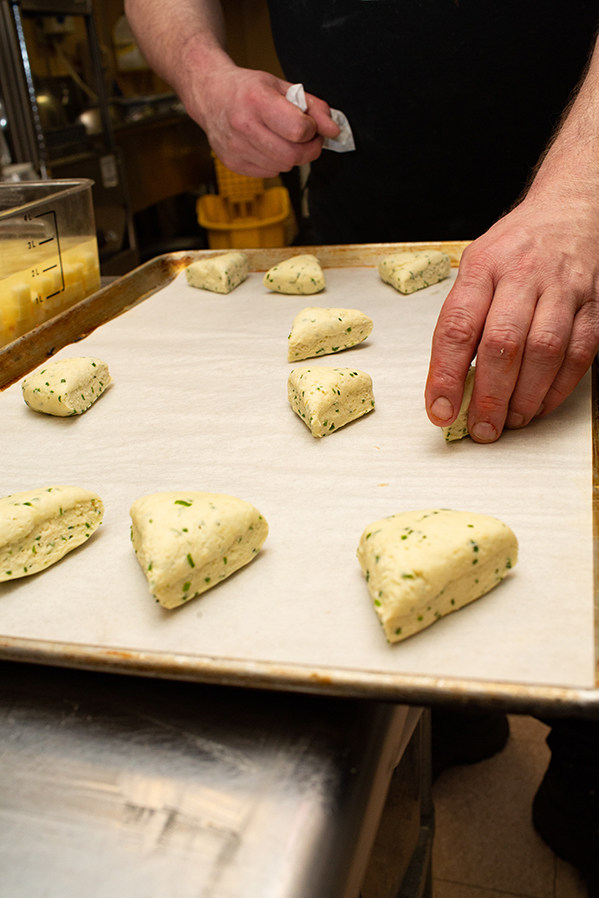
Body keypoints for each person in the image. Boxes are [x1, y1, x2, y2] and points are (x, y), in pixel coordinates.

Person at [125, 1, 599, 893]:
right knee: (373, 499)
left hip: (590, 174)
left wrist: (581, 191)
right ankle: (450, 720)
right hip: (367, 205)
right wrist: (202, 73)